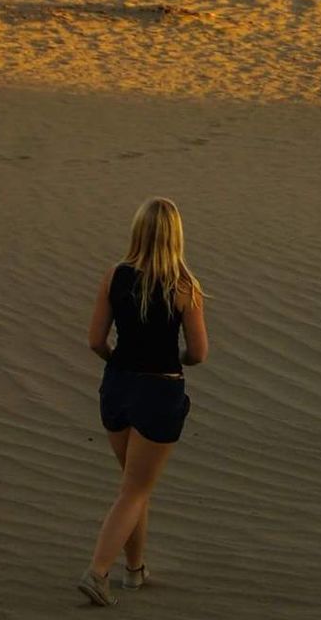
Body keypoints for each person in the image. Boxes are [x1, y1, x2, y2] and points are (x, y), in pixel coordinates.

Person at [77, 197, 208, 606]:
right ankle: (97, 572)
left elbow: (96, 341)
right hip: (159, 391)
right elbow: (199, 353)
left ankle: (134, 572)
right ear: (176, 236)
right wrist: (177, 359)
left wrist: (117, 361)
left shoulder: (114, 275)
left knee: (134, 487)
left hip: (117, 388)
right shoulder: (185, 284)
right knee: (135, 489)